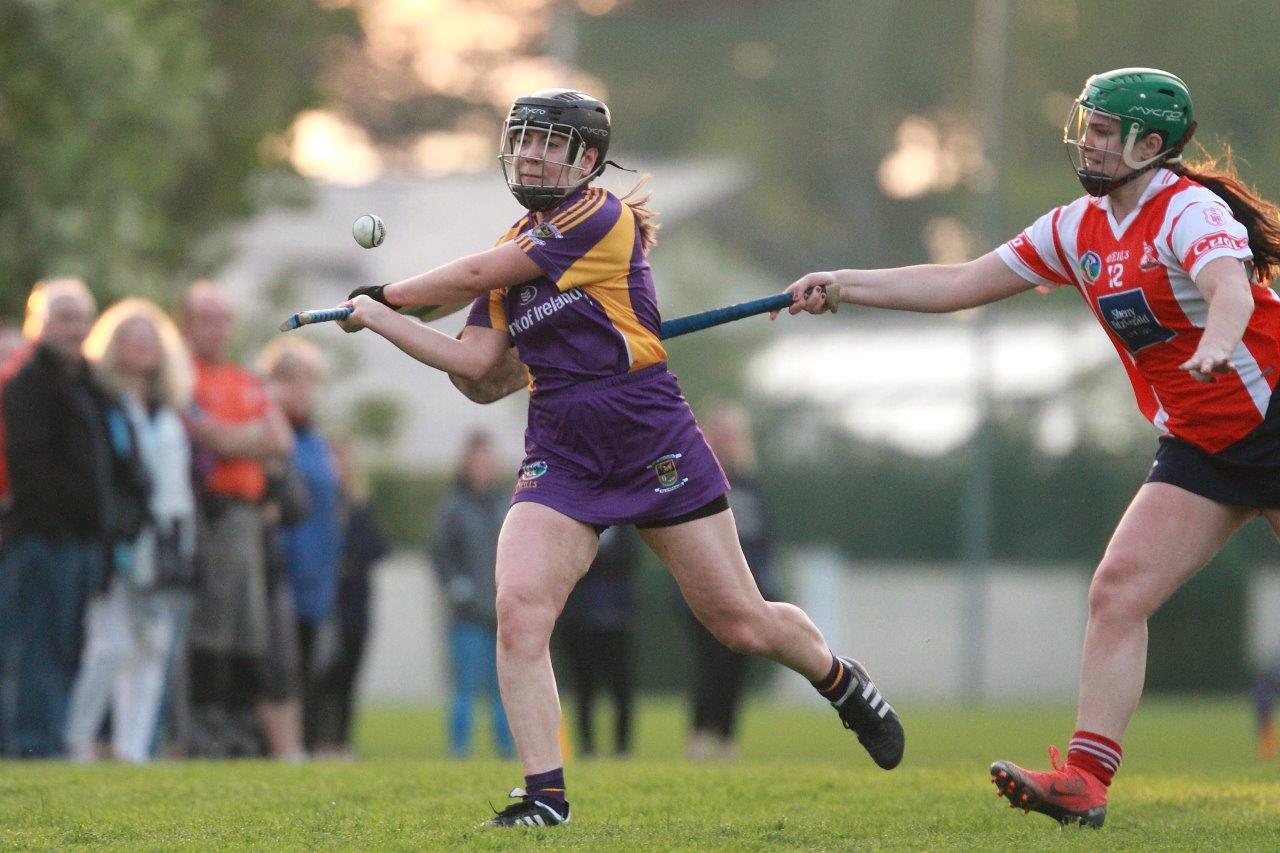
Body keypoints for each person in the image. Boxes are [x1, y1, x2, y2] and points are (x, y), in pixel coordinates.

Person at [337, 87, 903, 826]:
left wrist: (388, 294)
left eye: (549, 143)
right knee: (519, 613)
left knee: (740, 621)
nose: (531, 154)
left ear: (588, 160)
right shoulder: (516, 249)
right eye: (524, 139)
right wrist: (384, 321)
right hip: (562, 453)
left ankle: (841, 681)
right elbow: (476, 370)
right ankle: (544, 797)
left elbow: (471, 277)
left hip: (650, 437)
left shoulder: (596, 217)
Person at [783, 67, 1280, 829]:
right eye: (1088, 125)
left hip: (1272, 414)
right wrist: (845, 285)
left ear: (1152, 145)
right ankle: (1084, 779)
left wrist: (1217, 343)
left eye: (1107, 132)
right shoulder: (1077, 227)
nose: (1089, 141)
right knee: (1118, 591)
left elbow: (1231, 291)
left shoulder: (1188, 210)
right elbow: (959, 281)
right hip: (1201, 441)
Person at [0, 279, 148, 757]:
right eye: (62, 317)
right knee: (38, 646)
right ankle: (33, 744)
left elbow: (117, 460)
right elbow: (31, 468)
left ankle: (55, 739)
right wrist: (67, 523)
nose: (73, 327)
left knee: (72, 647)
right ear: (39, 325)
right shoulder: (28, 385)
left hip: (89, 542)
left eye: (80, 317)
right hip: (46, 539)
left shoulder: (91, 384)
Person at [64, 299, 198, 762]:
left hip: (168, 539)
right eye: (131, 337)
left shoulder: (168, 409)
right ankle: (77, 741)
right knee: (109, 644)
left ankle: (133, 749)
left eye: (150, 338)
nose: (142, 347)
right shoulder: (105, 404)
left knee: (153, 648)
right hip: (121, 539)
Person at [181, 281, 294, 757]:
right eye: (207, 318)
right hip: (213, 517)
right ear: (185, 323)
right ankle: (204, 733)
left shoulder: (242, 379)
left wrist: (235, 437)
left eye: (224, 319)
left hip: (250, 522)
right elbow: (211, 438)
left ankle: (237, 731)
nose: (218, 329)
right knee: (214, 626)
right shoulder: (181, 377)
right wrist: (249, 438)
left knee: (250, 630)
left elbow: (281, 442)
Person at [260, 337, 345, 753]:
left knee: (312, 667)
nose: (301, 391)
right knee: (281, 666)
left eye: (308, 381)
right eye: (291, 381)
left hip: (317, 573)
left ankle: (304, 748)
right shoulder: (271, 437)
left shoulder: (318, 442)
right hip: (279, 569)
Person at [686, 404, 782, 762]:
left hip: (747, 590)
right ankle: (698, 738)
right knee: (709, 664)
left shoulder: (752, 487)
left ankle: (726, 740)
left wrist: (765, 589)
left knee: (735, 667)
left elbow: (764, 541)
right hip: (706, 588)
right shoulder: (697, 479)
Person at [430, 430, 516, 761]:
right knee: (464, 689)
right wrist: (456, 586)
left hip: (501, 612)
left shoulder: (505, 505)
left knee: (504, 691)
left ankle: (506, 751)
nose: (485, 468)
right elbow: (440, 554)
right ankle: (459, 750)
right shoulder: (453, 507)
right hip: (466, 615)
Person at [310, 435, 389, 759]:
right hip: (325, 604)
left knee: (347, 679)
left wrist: (350, 562)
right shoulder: (317, 506)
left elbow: (378, 547)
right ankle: (314, 741)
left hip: (354, 606)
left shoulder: (359, 506)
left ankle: (340, 742)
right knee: (319, 677)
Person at [555, 524, 639, 758]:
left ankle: (623, 750)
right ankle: (587, 749)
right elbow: (566, 562)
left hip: (617, 620)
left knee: (622, 689)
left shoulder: (625, 523)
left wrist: (591, 559)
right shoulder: (573, 517)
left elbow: (627, 558)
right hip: (579, 621)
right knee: (584, 688)